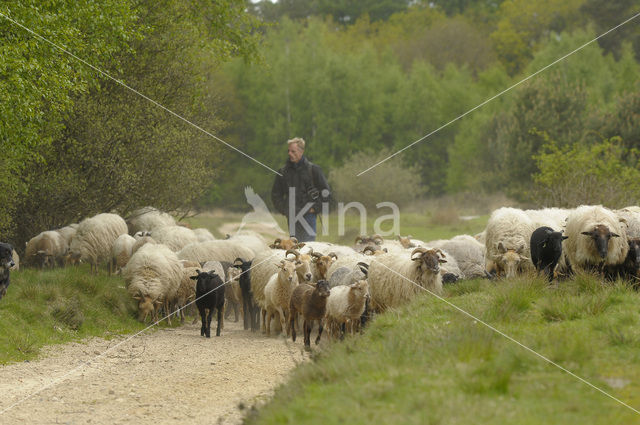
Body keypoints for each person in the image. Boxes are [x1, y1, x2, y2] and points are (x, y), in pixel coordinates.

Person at [271, 137, 331, 242]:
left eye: (293, 151)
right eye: (288, 151)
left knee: (308, 249)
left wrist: (315, 208)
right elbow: (276, 195)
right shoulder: (283, 171)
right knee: (295, 250)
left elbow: (326, 193)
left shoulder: (314, 170)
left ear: (301, 151)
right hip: (292, 217)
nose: (290, 153)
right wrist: (285, 210)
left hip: (309, 216)